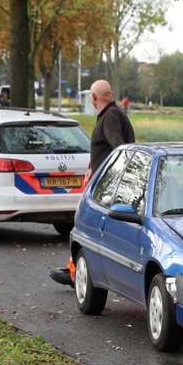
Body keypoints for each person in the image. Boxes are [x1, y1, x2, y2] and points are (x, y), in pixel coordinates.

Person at [51, 80, 136, 288]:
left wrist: (109, 180)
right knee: (86, 230)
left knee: (84, 229)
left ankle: (78, 273)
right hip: (105, 187)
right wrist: (92, 165)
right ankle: (77, 271)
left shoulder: (111, 117)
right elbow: (105, 148)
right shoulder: (111, 115)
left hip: (106, 190)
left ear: (93, 97)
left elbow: (120, 149)